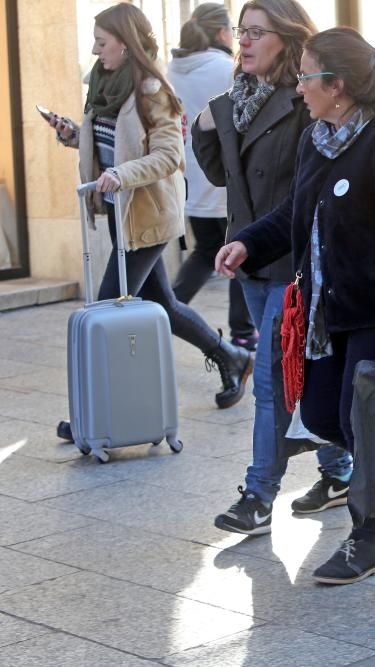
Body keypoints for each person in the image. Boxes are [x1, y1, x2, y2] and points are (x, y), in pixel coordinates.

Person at [214, 27, 375, 584]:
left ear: (336, 85)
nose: (297, 85)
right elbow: (295, 210)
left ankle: (366, 540)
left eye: (306, 75)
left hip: (372, 312)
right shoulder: (318, 137)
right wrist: (249, 242)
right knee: (318, 416)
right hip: (322, 311)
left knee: (358, 424)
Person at [47, 2, 252, 432]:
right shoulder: (103, 84)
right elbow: (115, 143)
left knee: (105, 309)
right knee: (163, 303)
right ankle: (231, 357)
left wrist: (120, 175)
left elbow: (167, 155)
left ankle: (92, 413)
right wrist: (74, 137)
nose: (95, 50)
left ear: (125, 43)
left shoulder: (152, 90)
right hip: (121, 212)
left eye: (102, 42)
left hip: (149, 214)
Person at [193, 0, 354, 536]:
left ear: (285, 38)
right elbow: (223, 176)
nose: (244, 41)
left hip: (293, 260)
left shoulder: (303, 100)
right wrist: (206, 128)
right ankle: (339, 472)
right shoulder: (236, 101)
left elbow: (299, 195)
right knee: (295, 377)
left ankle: (258, 495)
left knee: (269, 382)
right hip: (252, 257)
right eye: (241, 32)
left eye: (257, 32)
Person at [167, 3, 257, 352]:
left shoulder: (169, 70)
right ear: (223, 33)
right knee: (241, 253)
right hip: (225, 180)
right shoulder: (226, 69)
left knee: (207, 251)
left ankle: (167, 309)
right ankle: (243, 330)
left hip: (189, 180)